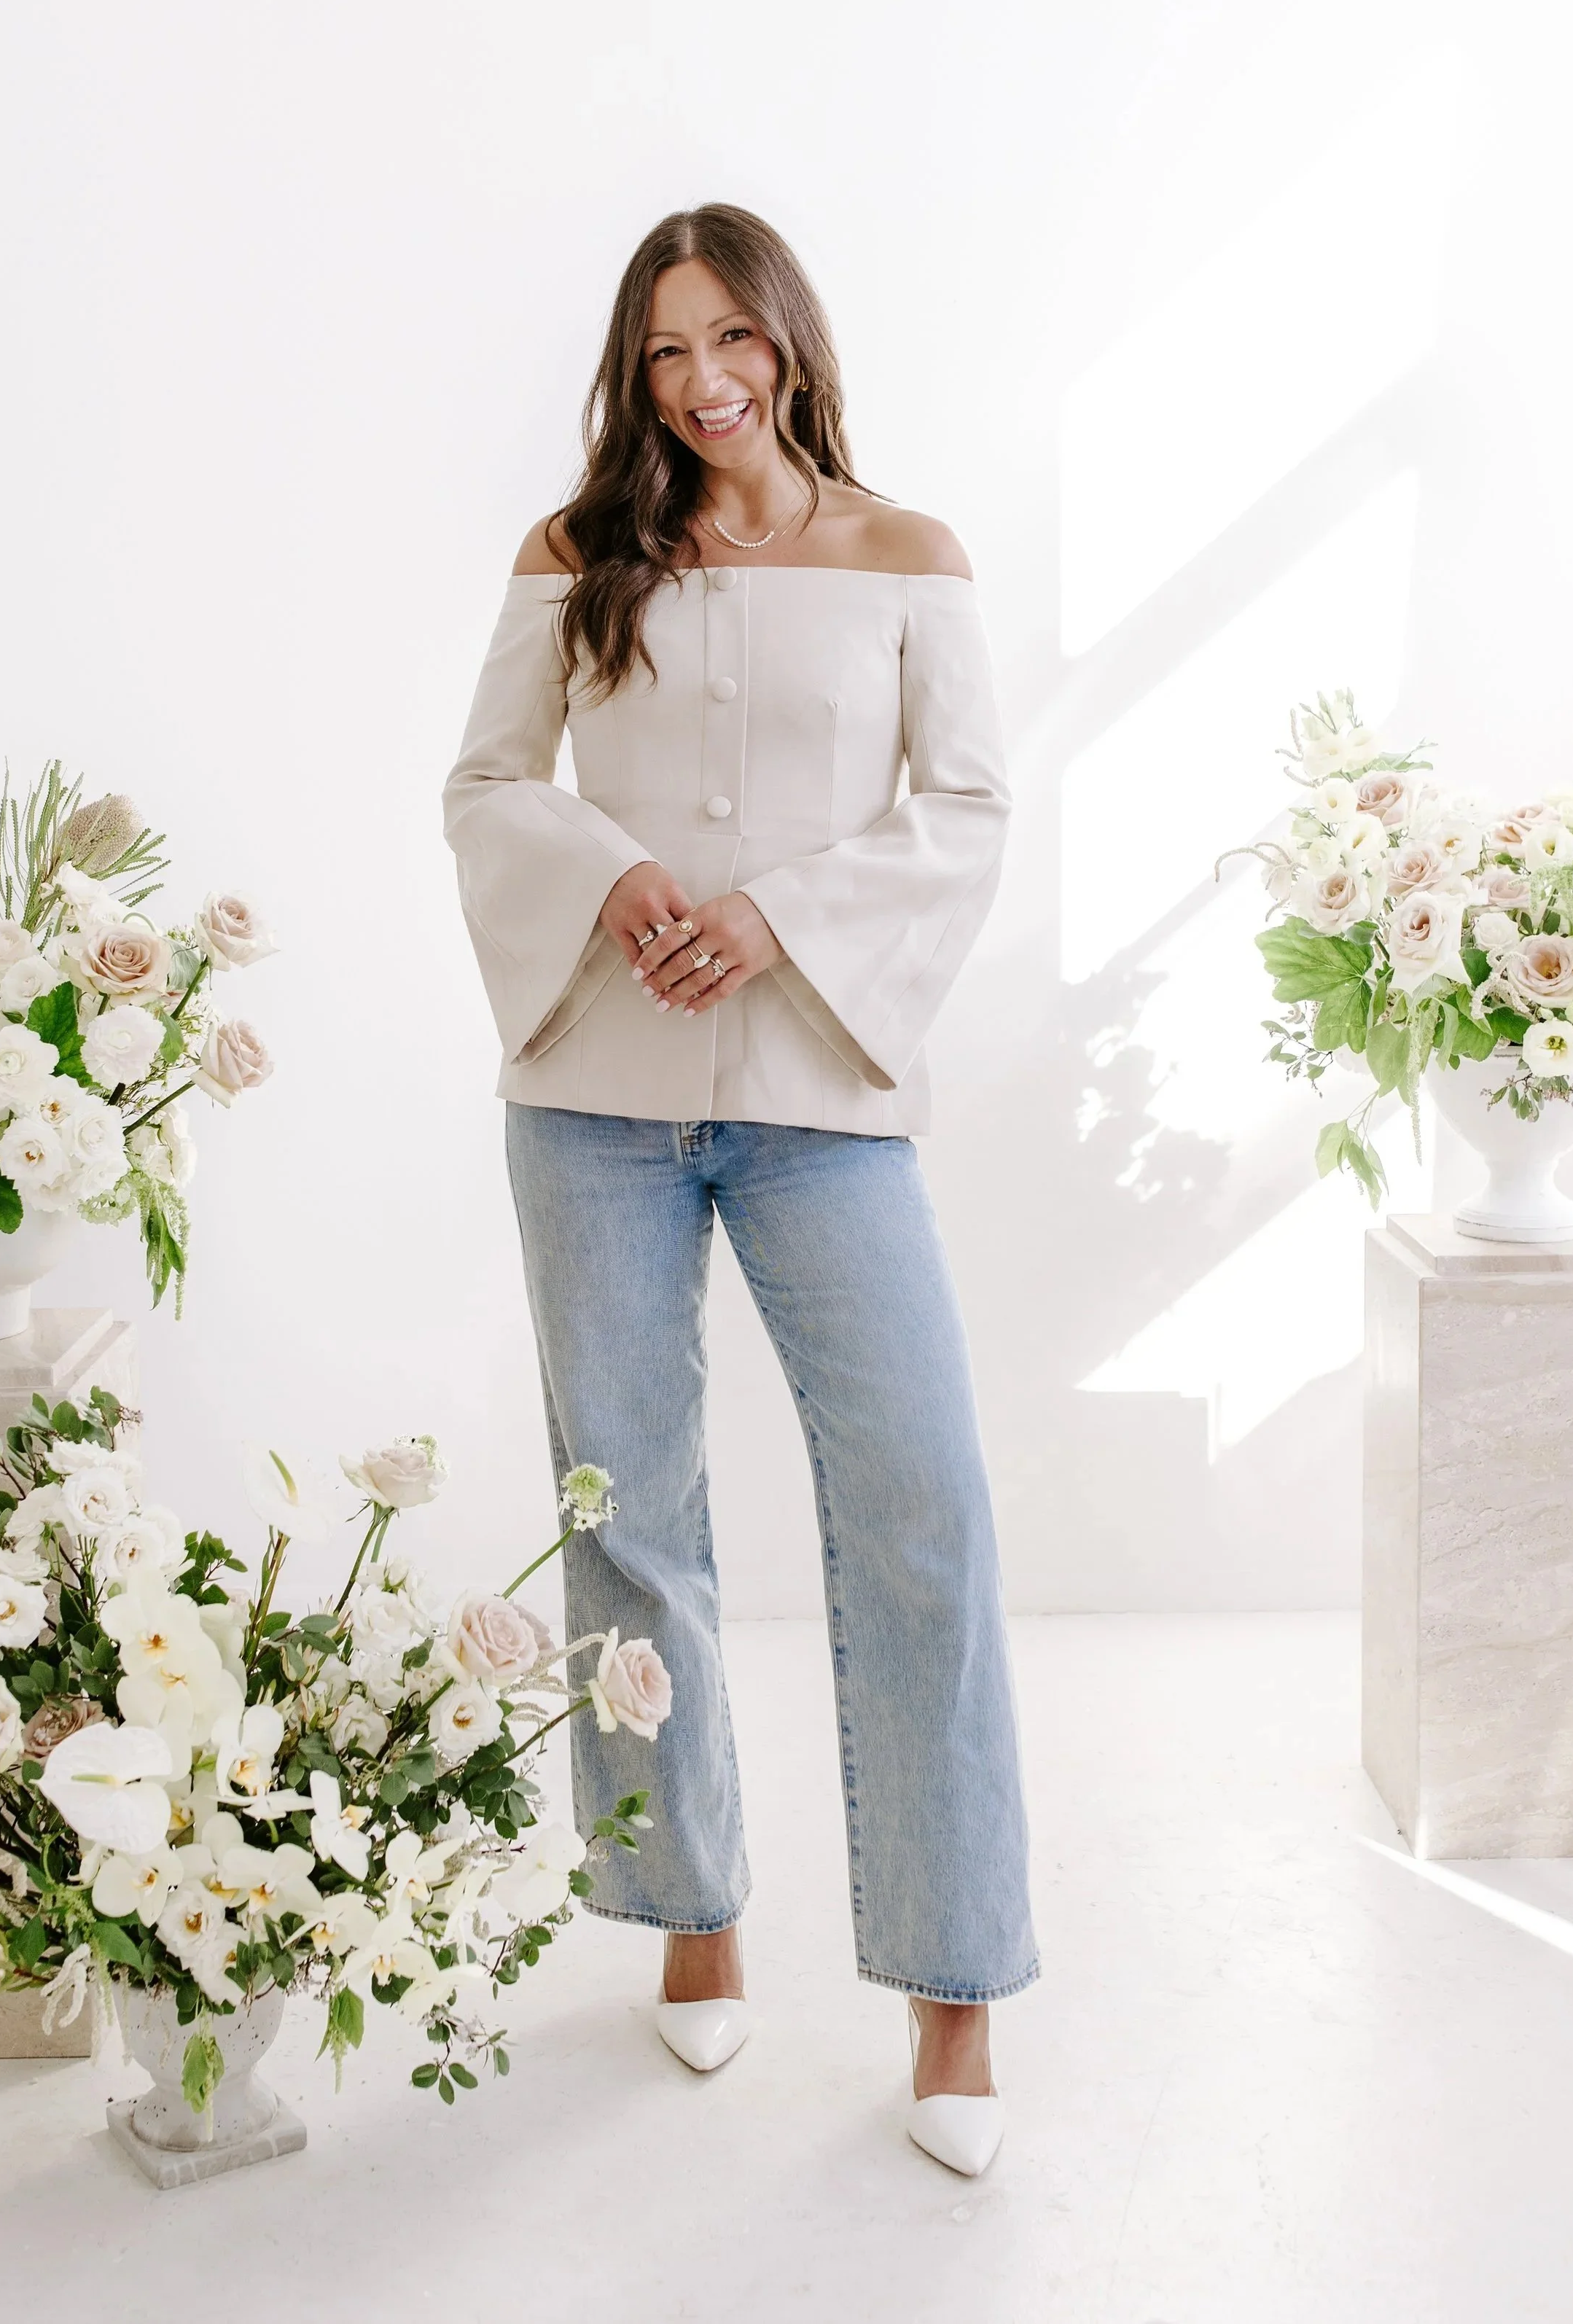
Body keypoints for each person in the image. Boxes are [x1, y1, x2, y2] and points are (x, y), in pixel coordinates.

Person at [442, 203, 1036, 2175]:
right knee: (630, 1509)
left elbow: (959, 809)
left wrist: (774, 924)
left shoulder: (903, 556)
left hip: (819, 1101)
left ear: (788, 339)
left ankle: (951, 1987)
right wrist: (607, 877)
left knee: (919, 1510)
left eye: (733, 340)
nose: (704, 380)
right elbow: (487, 783)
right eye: (667, 348)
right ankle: (690, 1909)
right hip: (590, 1093)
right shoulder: (572, 554)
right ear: (636, 365)